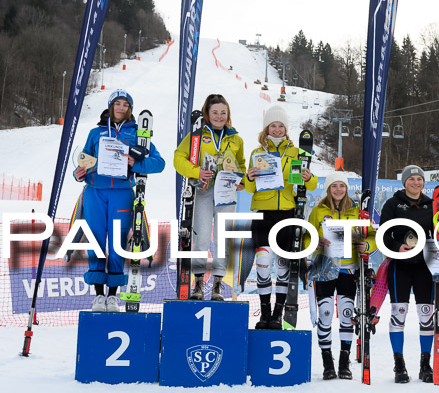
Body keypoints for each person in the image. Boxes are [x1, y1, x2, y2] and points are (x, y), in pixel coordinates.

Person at [73, 90, 165, 312]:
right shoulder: (96, 133)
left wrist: (136, 163)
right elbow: (84, 160)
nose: (121, 108)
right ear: (110, 106)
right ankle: (98, 296)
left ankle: (112, 296)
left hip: (122, 193)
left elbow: (159, 163)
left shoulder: (137, 136)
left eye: (125, 104)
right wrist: (78, 173)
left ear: (130, 109)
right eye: (118, 103)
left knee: (117, 244)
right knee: (94, 241)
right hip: (95, 191)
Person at [245, 105, 317, 329]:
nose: (277, 130)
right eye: (273, 125)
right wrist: (249, 177)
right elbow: (249, 188)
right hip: (262, 212)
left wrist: (308, 177)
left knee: (283, 265)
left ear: (286, 129)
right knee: (263, 262)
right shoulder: (257, 154)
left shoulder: (294, 153)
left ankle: (278, 314)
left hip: (287, 211)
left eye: (281, 126)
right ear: (267, 128)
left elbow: (308, 183)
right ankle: (264, 312)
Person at [304, 171, 376, 380]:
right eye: (334, 186)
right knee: (325, 314)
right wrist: (315, 242)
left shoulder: (356, 211)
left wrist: (367, 245)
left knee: (346, 314)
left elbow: (371, 236)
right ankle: (328, 362)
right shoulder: (318, 211)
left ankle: (344, 362)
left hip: (348, 268)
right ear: (328, 188)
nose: (338, 190)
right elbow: (306, 236)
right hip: (324, 266)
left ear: (346, 188)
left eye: (341, 186)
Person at [174, 94, 246, 301]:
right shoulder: (196, 135)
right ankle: (198, 285)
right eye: (215, 112)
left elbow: (241, 164)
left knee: (223, 240)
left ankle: (217, 286)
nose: (219, 116)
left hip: (226, 193)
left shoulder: (235, 138)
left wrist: (242, 182)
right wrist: (196, 172)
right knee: (202, 237)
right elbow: (178, 158)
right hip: (203, 191)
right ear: (207, 113)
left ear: (228, 114)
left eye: (223, 112)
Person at [379, 165, 436, 384]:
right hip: (400, 266)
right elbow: (383, 234)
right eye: (411, 179)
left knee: (426, 315)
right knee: (398, 314)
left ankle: (425, 363)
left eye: (419, 179)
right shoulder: (393, 204)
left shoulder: (432, 205)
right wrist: (396, 246)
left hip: (425, 267)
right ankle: (399, 364)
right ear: (404, 182)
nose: (415, 183)